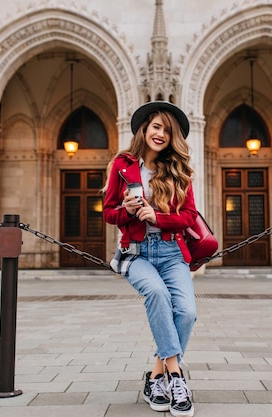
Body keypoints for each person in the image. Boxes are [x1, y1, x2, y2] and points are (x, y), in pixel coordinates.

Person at [102, 101, 197, 417]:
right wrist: (128, 211)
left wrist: (157, 217)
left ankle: (156, 376)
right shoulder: (122, 165)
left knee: (186, 313)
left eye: (167, 131)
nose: (161, 134)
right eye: (156, 126)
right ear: (144, 128)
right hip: (136, 253)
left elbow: (189, 216)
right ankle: (176, 377)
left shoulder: (178, 170)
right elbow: (108, 213)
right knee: (156, 294)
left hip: (171, 253)